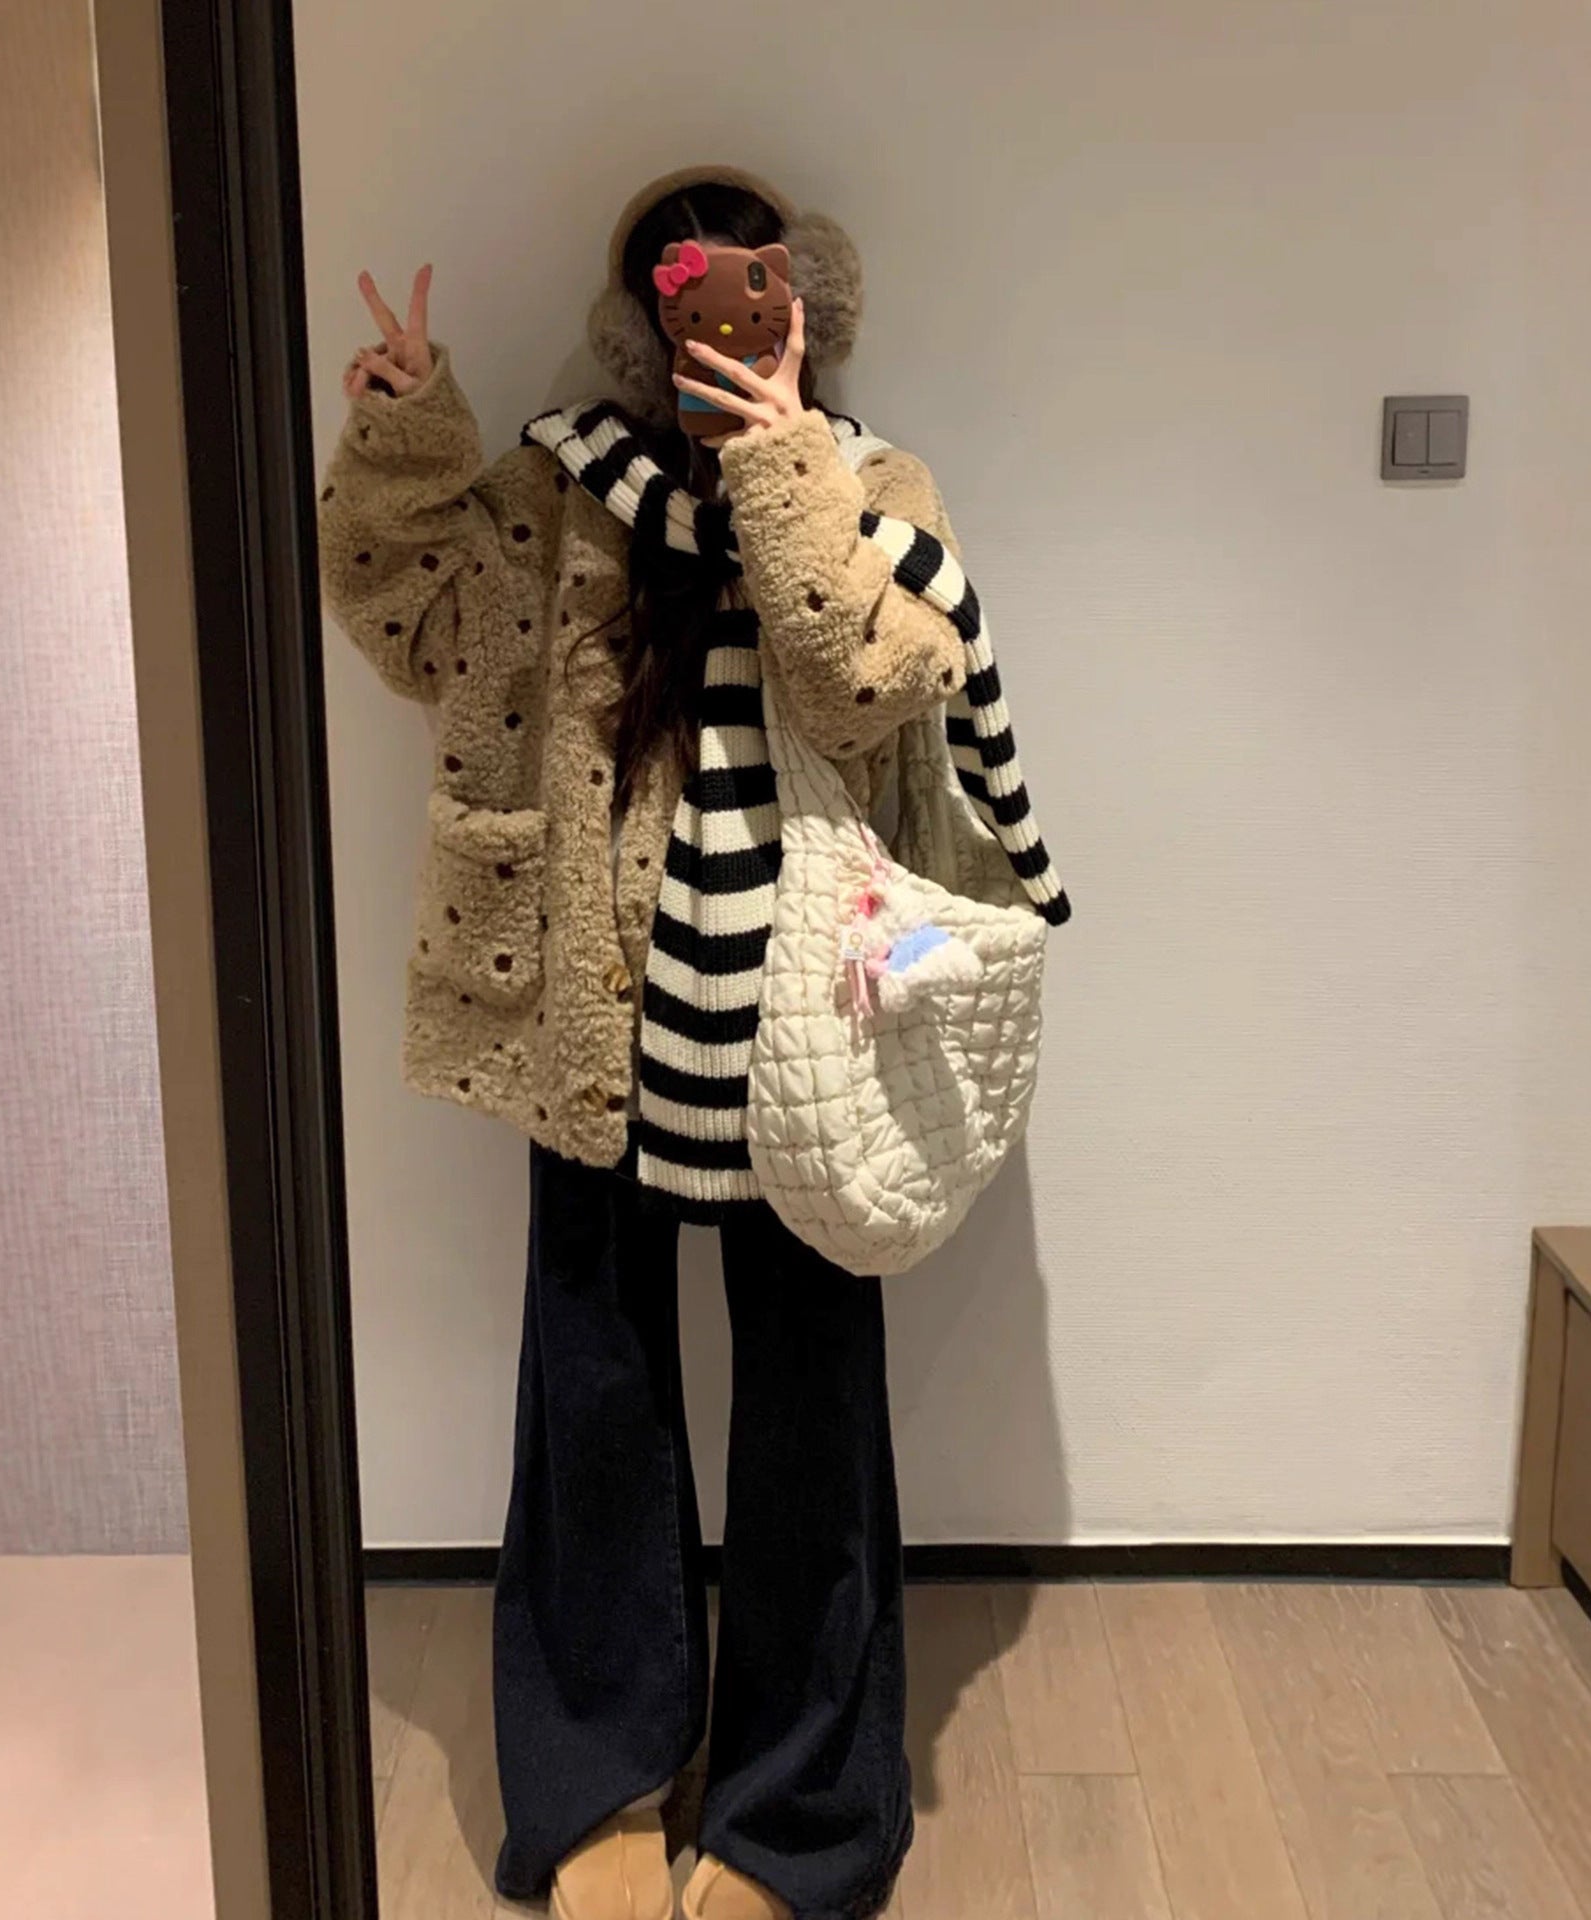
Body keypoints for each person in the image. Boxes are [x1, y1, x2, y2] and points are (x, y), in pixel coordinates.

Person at [319, 166, 977, 1920]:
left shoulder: (876, 486)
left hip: (812, 1040)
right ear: (643, 323)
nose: (722, 318)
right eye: (684, 293)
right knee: (593, 1395)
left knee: (813, 1414)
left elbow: (861, 685)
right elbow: (411, 619)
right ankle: (601, 1773)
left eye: (755, 287)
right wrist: (408, 433)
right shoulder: (565, 485)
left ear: (803, 302)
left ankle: (801, 1813)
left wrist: (777, 456)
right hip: (595, 1019)